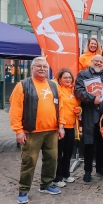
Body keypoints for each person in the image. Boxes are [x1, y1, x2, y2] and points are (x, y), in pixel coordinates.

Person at [9, 56, 65, 203]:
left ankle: (46, 184)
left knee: (51, 159)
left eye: (44, 67)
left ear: (48, 69)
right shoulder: (22, 85)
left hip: (52, 131)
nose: (42, 69)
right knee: (29, 161)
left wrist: (61, 126)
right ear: (32, 68)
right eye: (38, 66)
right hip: (31, 132)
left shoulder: (53, 86)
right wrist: (18, 130)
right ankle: (23, 189)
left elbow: (60, 107)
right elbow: (15, 109)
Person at [74, 55, 103, 182]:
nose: (98, 63)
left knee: (102, 142)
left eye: (101, 61)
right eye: (96, 61)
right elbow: (78, 90)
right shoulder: (83, 74)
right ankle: (87, 171)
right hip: (90, 112)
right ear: (91, 62)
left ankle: (100, 167)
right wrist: (92, 99)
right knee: (89, 143)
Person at [53, 68, 79, 187]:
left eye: (70, 78)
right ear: (59, 79)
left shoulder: (73, 91)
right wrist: (60, 125)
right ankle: (57, 178)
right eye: (65, 78)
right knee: (59, 153)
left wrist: (79, 110)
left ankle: (66, 174)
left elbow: (78, 107)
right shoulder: (57, 89)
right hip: (60, 126)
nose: (68, 80)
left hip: (71, 126)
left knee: (68, 152)